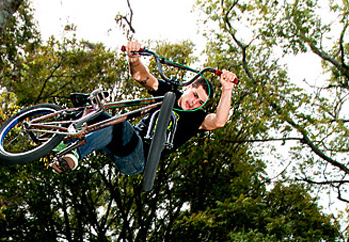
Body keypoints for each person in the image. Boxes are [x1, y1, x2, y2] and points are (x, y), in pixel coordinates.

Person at [51, 40, 238, 174]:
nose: (194, 103)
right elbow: (141, 77)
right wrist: (133, 59)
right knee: (98, 111)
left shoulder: (195, 118)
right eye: (195, 96)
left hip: (139, 158)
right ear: (188, 87)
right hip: (123, 143)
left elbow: (219, 121)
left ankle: (74, 155)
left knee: (118, 123)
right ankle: (59, 140)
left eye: (200, 103)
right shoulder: (169, 93)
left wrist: (227, 89)